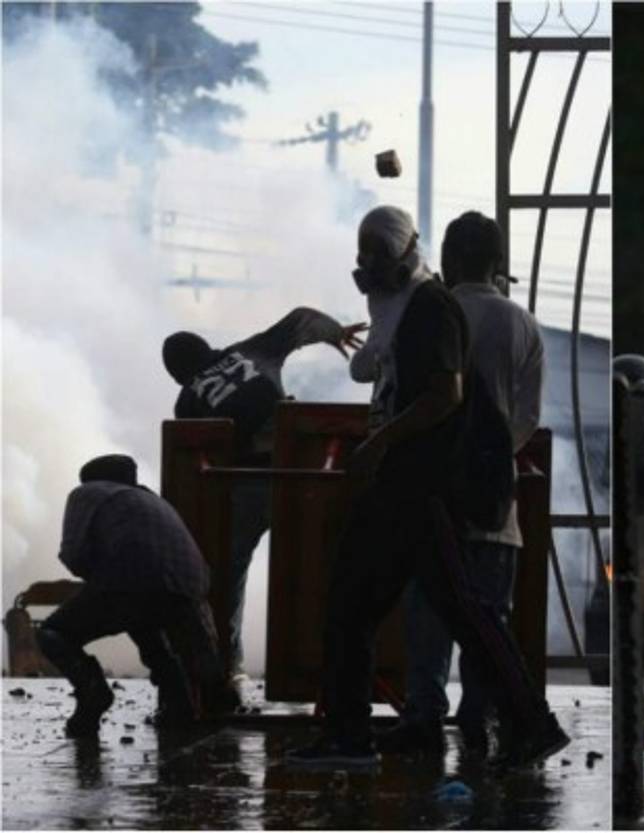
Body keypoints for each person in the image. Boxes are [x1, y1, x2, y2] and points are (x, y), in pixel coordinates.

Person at [287, 205, 566, 768]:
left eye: (376, 255)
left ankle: (529, 721)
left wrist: (381, 442)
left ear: (408, 253)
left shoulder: (432, 308)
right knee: (359, 604)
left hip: (423, 484)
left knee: (458, 609)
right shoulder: (407, 307)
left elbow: (446, 395)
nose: (366, 266)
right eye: (362, 254)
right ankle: (351, 734)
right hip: (404, 484)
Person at [384, 210, 546, 756]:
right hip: (496, 500)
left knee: (427, 611)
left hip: (431, 493)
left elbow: (391, 393)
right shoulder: (521, 323)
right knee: (488, 616)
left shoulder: (428, 311)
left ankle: (424, 717)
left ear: (448, 259)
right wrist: (491, 456)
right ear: (499, 263)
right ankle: (480, 720)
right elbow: (527, 418)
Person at [161, 308, 366, 681]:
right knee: (314, 569)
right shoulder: (248, 351)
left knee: (228, 573)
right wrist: (334, 333)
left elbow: (190, 454)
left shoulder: (188, 399)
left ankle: (226, 667)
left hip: (246, 480)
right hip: (300, 469)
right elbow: (301, 319)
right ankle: (320, 669)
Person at [36, 455, 231, 737]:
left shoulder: (87, 493)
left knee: (53, 633)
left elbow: (74, 554)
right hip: (190, 588)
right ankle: (179, 709)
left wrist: (96, 578)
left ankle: (93, 694)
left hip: (129, 581)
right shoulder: (154, 501)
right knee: (146, 627)